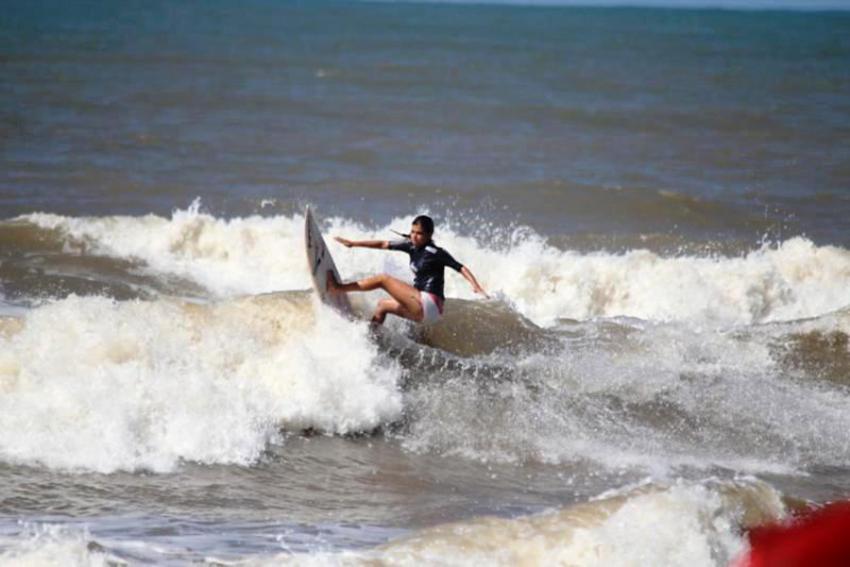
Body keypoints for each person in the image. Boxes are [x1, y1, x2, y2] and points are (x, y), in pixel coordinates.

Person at [328, 215, 487, 325]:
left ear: (429, 235)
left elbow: (460, 267)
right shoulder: (411, 246)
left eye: (419, 233)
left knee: (383, 279)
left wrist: (477, 287)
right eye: (412, 232)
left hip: (429, 303)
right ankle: (372, 338)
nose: (414, 236)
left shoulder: (436, 253)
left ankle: (338, 288)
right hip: (427, 311)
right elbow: (383, 244)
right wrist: (353, 243)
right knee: (382, 306)